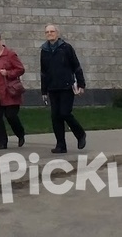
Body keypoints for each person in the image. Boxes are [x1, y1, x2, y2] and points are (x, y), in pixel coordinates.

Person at [39, 23, 86, 154]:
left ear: (57, 33)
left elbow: (76, 66)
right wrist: (44, 91)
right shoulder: (44, 50)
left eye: (52, 31)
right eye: (47, 32)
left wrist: (81, 84)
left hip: (66, 86)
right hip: (53, 88)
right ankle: (61, 145)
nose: (49, 34)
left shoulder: (66, 48)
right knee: (55, 116)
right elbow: (43, 72)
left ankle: (80, 134)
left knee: (65, 113)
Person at [0, 30, 25, 149]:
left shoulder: (10, 54)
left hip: (10, 91)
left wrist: (8, 73)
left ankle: (20, 133)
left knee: (11, 115)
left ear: (0, 41)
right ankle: (1, 142)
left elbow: (20, 69)